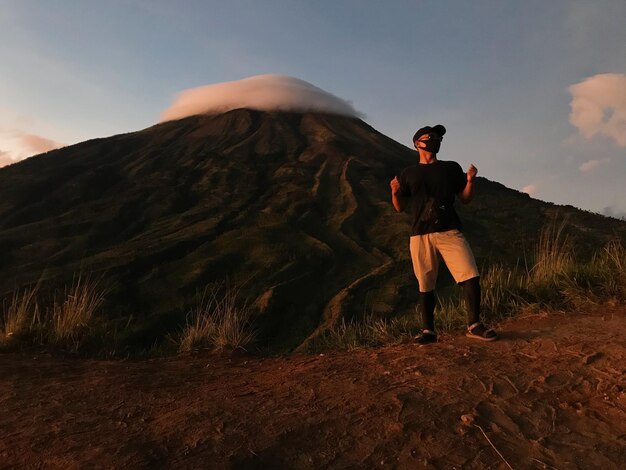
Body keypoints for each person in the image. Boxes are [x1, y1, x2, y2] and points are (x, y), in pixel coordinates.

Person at [390, 124, 497, 344]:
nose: (436, 140)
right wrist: (394, 192)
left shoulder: (450, 168)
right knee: (425, 283)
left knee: (470, 274)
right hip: (420, 234)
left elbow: (465, 198)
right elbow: (399, 207)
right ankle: (429, 331)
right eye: (431, 137)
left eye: (438, 137)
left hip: (449, 230)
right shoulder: (409, 173)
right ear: (417, 143)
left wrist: (469, 181)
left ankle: (474, 324)